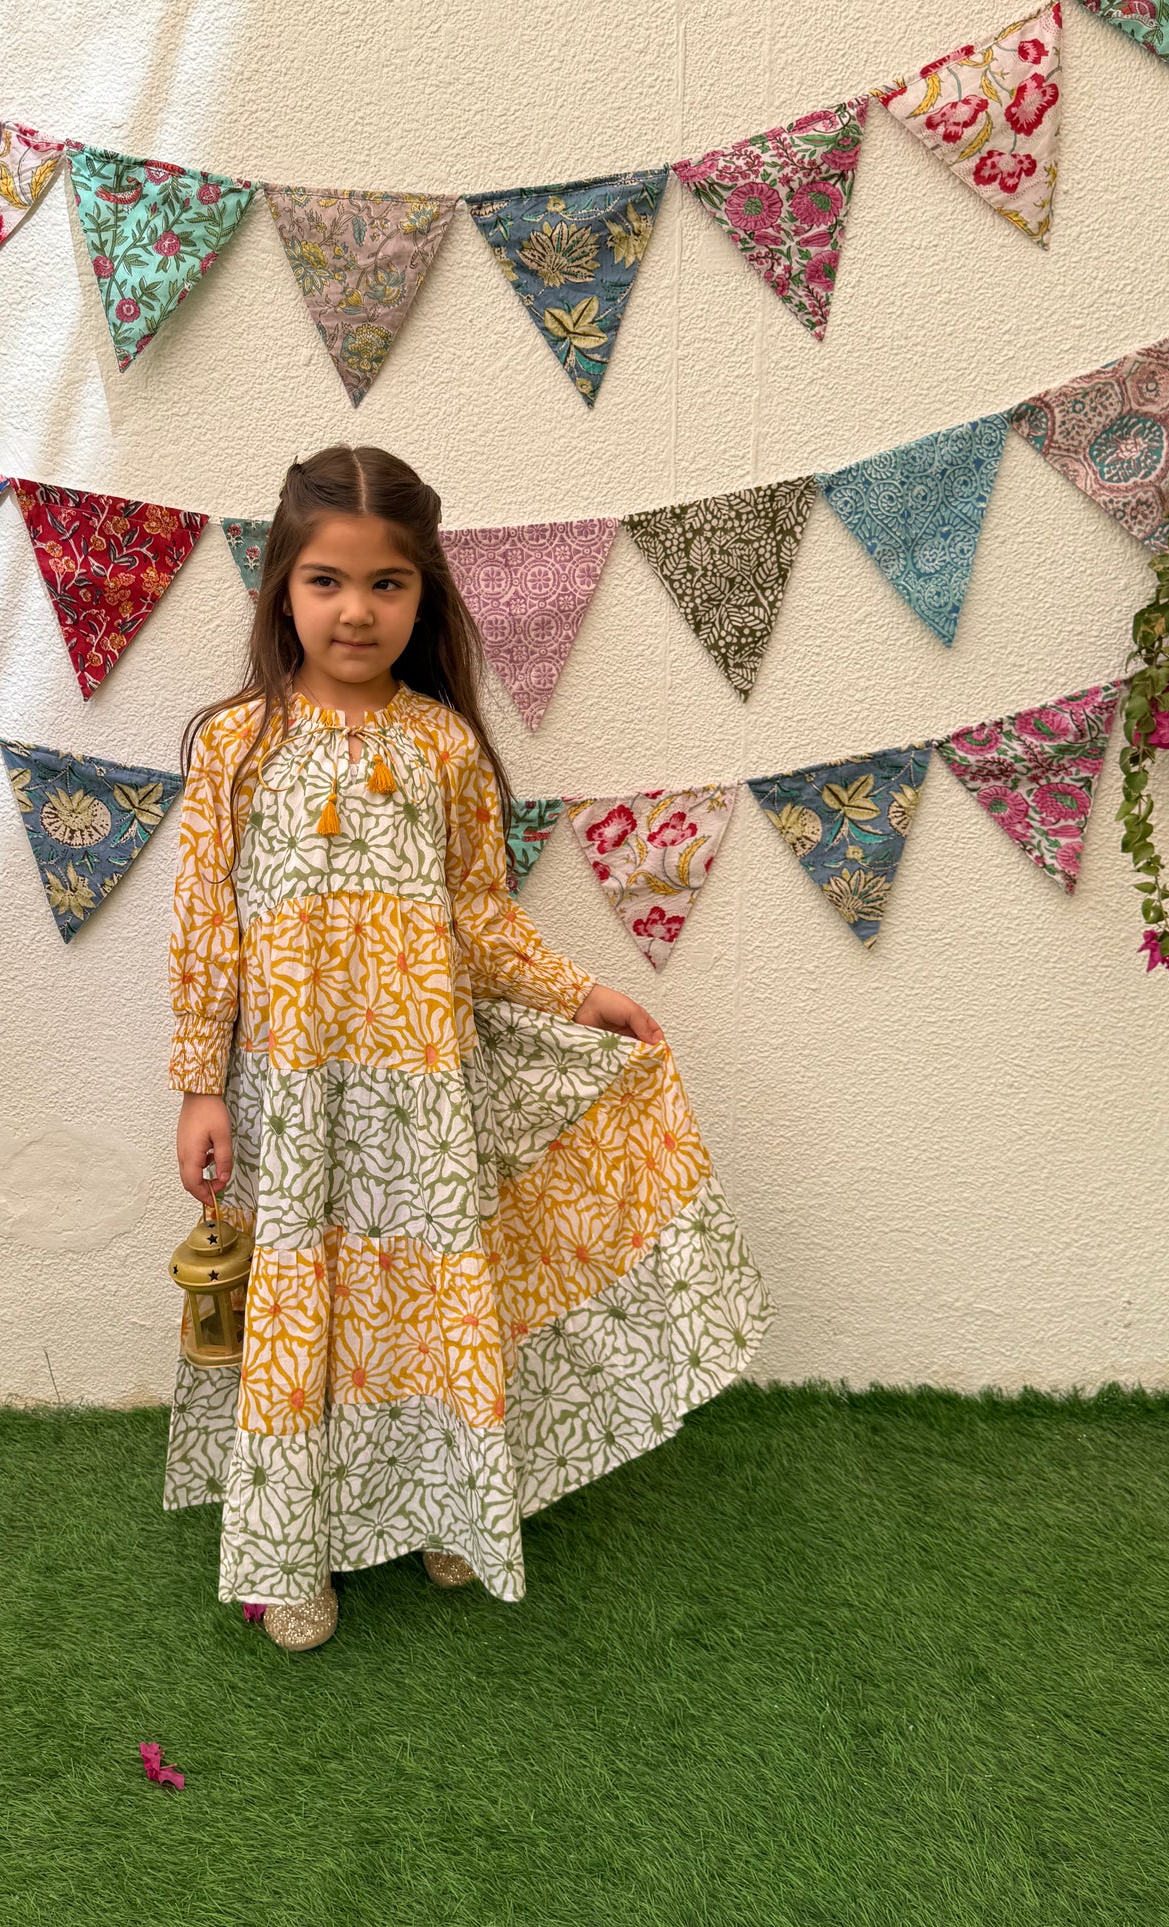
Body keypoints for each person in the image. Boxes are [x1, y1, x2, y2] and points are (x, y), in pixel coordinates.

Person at [164, 444, 769, 1651]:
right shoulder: (235, 744)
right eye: (327, 580)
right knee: (305, 1308)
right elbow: (202, 925)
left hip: (428, 1097)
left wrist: (580, 993)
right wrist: (196, 1085)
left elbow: (479, 917)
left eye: (386, 583)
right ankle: (292, 1549)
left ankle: (453, 1498)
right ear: (281, 585)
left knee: (435, 1302)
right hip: (291, 1094)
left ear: (422, 595)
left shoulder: (442, 746)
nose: (355, 609)